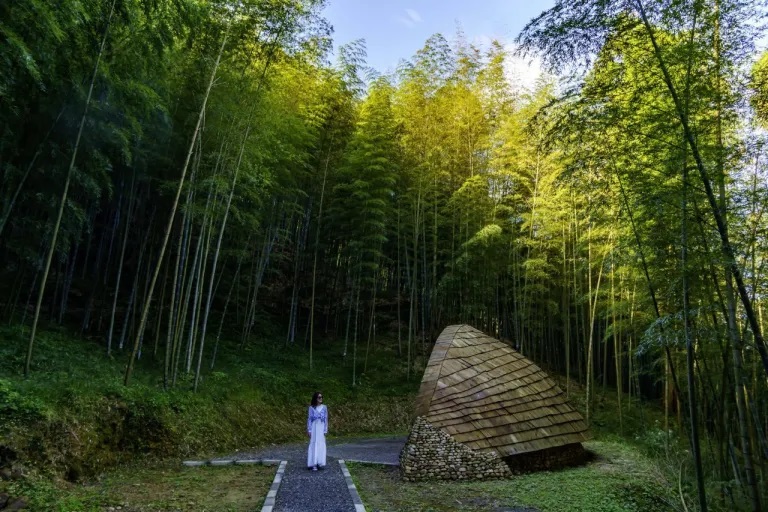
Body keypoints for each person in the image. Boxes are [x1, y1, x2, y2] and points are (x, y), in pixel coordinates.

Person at [306, 391, 328, 471]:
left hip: (321, 427)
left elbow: (326, 419)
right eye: (319, 397)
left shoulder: (324, 407)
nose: (321, 398)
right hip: (314, 427)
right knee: (314, 443)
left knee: (321, 444)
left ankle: (320, 462)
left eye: (322, 397)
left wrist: (325, 429)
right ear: (315, 398)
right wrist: (309, 429)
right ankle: (313, 463)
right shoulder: (311, 408)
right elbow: (309, 419)